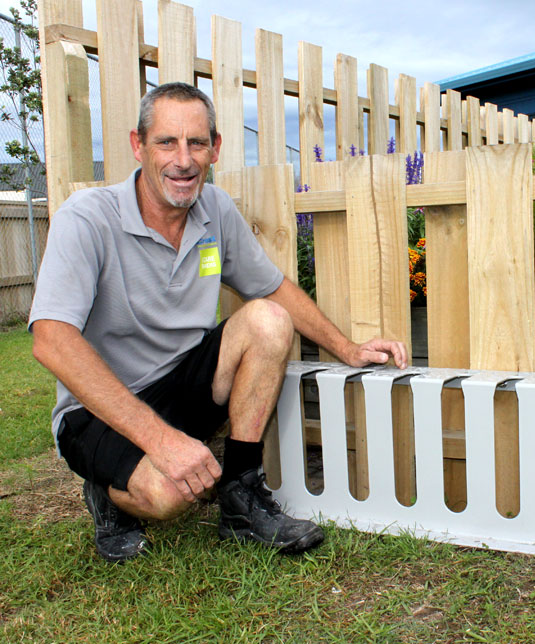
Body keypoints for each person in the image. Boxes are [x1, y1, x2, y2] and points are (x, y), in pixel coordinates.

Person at [29, 82, 408, 563]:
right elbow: (51, 341)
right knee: (168, 496)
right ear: (137, 145)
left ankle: (241, 499)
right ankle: (106, 495)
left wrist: (348, 347)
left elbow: (272, 289)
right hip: (99, 409)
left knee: (268, 320)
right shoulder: (86, 219)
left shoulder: (216, 210)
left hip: (182, 380)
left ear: (215, 148)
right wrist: (162, 442)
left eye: (197, 143)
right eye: (167, 142)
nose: (183, 160)